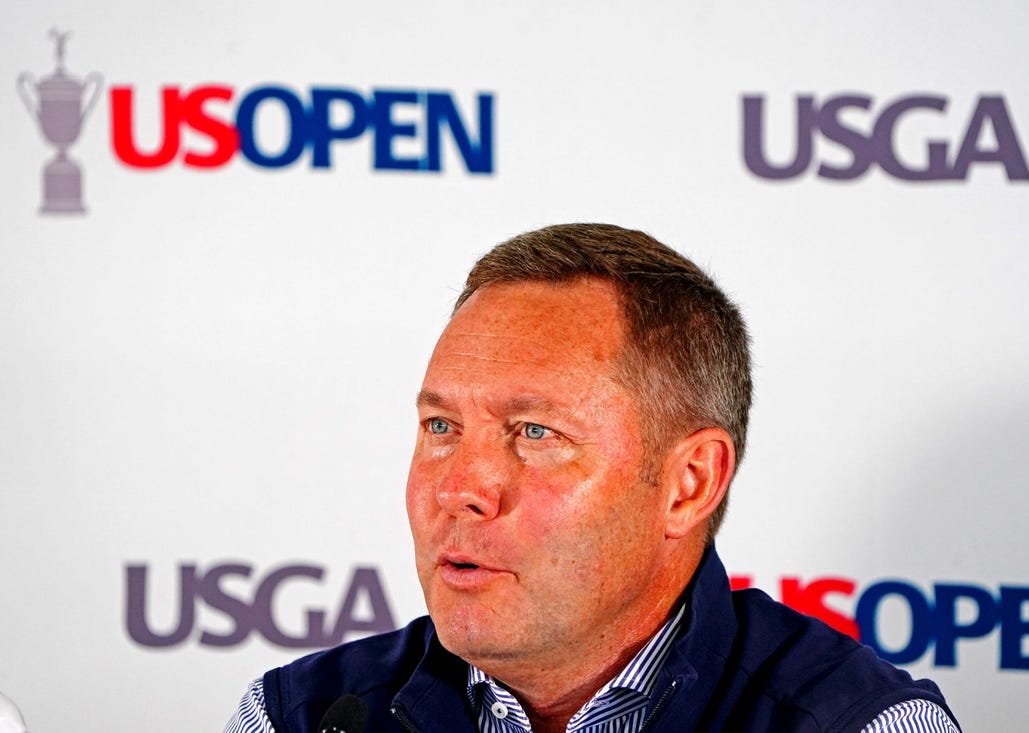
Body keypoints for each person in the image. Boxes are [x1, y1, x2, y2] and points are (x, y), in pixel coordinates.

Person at [225, 223, 961, 733]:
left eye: (535, 433)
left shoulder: (853, 721)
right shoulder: (304, 713)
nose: (459, 488)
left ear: (689, 483)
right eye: (441, 427)